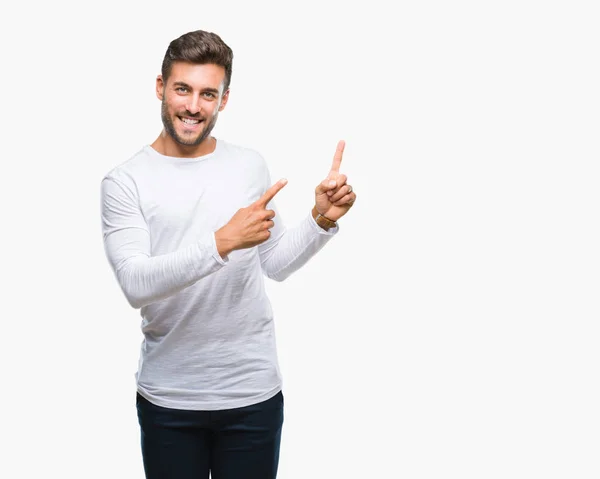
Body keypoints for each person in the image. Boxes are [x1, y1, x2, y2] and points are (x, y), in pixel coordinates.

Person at [100, 29, 356, 479]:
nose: (193, 106)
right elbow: (136, 284)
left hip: (252, 395)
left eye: (207, 94)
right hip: (169, 400)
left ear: (224, 99)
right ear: (161, 87)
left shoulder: (248, 164)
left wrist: (320, 219)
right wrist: (221, 243)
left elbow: (273, 263)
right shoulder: (126, 180)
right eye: (182, 89)